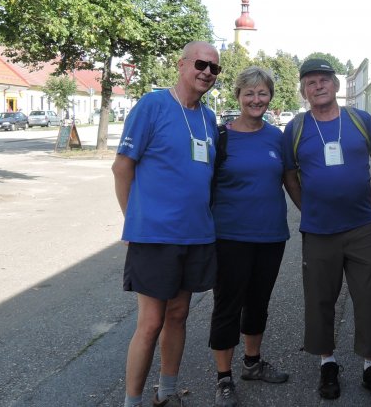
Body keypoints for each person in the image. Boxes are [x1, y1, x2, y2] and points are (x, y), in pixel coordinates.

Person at [112, 41, 221, 407]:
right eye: (201, 64)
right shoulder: (153, 105)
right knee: (151, 322)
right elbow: (122, 167)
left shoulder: (208, 118)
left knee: (179, 314)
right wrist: (134, 221)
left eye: (214, 68)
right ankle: (133, 401)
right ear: (182, 65)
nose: (207, 72)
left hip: (196, 234)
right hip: (155, 235)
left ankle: (167, 392)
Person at [282, 58, 371, 403]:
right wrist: (308, 209)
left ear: (336, 85)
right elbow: (289, 176)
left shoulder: (360, 121)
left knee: (367, 298)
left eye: (324, 80)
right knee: (320, 299)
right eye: (311, 82)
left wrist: (370, 204)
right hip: (318, 232)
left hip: (360, 228)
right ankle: (327, 362)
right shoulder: (296, 128)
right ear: (303, 91)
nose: (318, 86)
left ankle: (370, 366)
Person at [209, 67, 290, 407]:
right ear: (238, 97)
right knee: (228, 305)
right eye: (249, 94)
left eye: (263, 93)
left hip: (271, 235)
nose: (256, 100)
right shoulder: (221, 137)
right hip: (230, 236)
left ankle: (252, 364)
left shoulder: (278, 137)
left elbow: (291, 179)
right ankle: (223, 378)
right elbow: (202, 185)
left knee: (259, 302)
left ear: (270, 97)